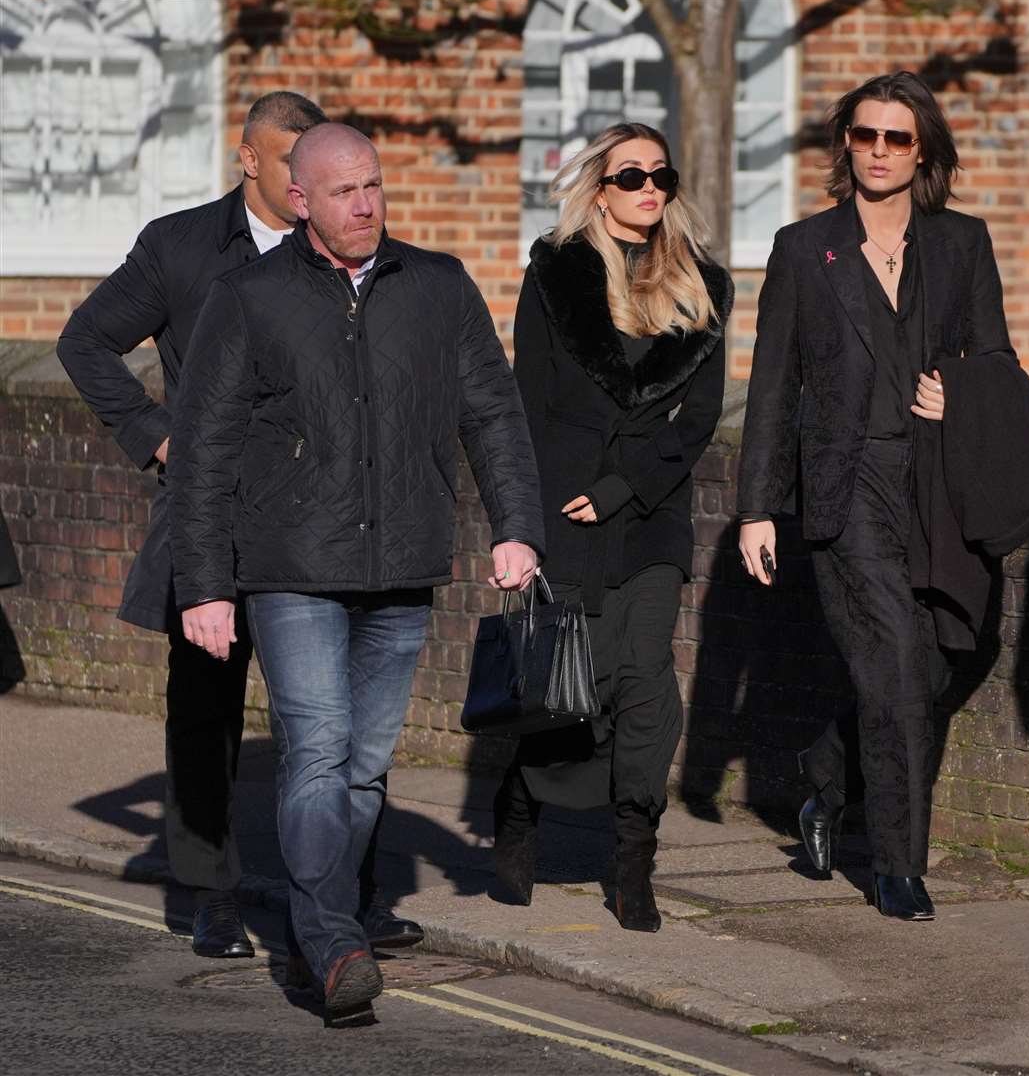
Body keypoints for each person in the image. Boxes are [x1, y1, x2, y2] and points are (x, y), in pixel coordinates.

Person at [167, 123, 544, 1018]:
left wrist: (516, 527)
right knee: (319, 750)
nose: (367, 205)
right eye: (345, 192)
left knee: (368, 766)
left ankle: (317, 925)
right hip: (291, 566)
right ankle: (334, 945)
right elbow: (205, 452)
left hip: (402, 564)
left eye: (374, 186)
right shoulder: (249, 296)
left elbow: (493, 413)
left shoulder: (439, 286)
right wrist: (205, 585)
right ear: (301, 200)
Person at [55, 92, 421, 959]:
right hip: (212, 514)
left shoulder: (341, 257)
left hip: (321, 522)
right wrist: (155, 438)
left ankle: (351, 898)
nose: (308, 187)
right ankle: (210, 894)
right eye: (289, 165)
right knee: (206, 707)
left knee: (335, 719)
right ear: (249, 161)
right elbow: (84, 342)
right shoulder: (180, 247)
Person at [737, 72, 1022, 922]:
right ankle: (898, 865)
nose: (879, 153)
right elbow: (773, 388)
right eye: (865, 136)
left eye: (898, 139)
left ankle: (826, 776)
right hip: (847, 487)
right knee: (896, 662)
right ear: (846, 143)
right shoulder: (803, 249)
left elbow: (998, 362)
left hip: (936, 484)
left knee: (945, 655)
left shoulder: (962, 244)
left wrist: (963, 390)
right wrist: (757, 506)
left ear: (923, 150)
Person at [496, 123, 733, 932]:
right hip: (565, 510)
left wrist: (623, 484)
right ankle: (522, 801)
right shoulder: (555, 274)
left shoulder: (701, 284)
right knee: (573, 692)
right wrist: (521, 521)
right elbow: (527, 402)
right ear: (598, 187)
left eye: (660, 175)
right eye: (630, 176)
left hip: (649, 512)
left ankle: (634, 858)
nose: (649, 190)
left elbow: (696, 418)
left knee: (645, 683)